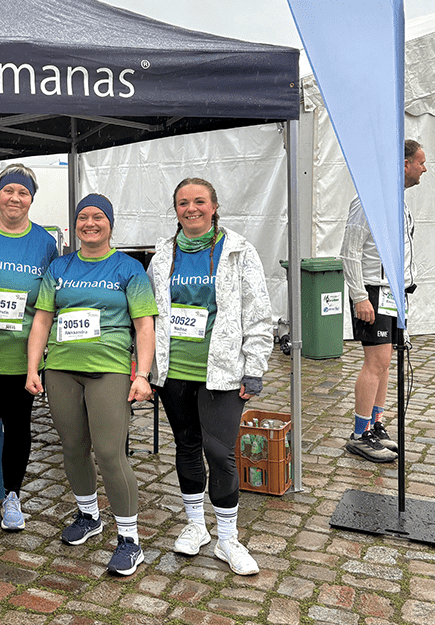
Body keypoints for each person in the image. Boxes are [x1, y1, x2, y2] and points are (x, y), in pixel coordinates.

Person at [25, 194, 156, 577]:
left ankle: (129, 540)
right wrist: (34, 368)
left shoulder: (129, 269)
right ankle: (89, 516)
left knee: (110, 453)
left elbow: (144, 325)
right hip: (62, 368)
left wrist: (143, 374)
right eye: (83, 217)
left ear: (110, 223)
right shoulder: (60, 266)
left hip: (109, 368)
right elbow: (43, 320)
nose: (90, 223)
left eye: (98, 217)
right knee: (73, 446)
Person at [149, 178, 272, 577]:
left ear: (215, 206)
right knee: (185, 445)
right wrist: (147, 367)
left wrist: (255, 367)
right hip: (174, 370)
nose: (191, 209)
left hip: (221, 371)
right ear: (176, 210)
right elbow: (149, 316)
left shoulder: (238, 251)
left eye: (199, 201)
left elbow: (258, 311)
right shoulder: (163, 255)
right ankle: (195, 525)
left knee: (220, 453)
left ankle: (228, 537)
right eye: (183, 203)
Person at [0, 165, 57, 531]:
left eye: (23, 193)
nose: (15, 198)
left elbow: (47, 302)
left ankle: (13, 494)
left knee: (19, 426)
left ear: (32, 198)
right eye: (8, 191)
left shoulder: (45, 242)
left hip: (22, 353)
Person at [340, 139, 426, 463]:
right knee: (374, 363)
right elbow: (349, 251)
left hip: (392, 291)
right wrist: (360, 296)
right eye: (421, 161)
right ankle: (359, 434)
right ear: (405, 164)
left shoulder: (398, 200)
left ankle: (375, 424)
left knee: (387, 363)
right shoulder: (369, 200)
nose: (424, 168)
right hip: (372, 292)